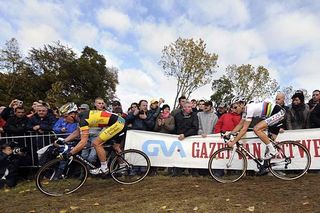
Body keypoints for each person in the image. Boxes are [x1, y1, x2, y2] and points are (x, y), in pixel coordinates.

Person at [64, 104, 126, 174]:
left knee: (96, 143)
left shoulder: (83, 119)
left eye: (65, 117)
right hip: (119, 122)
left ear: (72, 114)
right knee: (116, 147)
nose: (64, 119)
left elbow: (83, 142)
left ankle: (104, 168)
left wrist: (70, 153)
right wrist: (64, 141)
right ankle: (123, 165)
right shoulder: (81, 117)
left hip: (118, 124)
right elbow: (77, 132)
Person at [174, 100, 199, 176]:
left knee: (191, 154)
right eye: (187, 107)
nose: (189, 108)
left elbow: (195, 127)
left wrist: (185, 135)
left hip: (190, 138)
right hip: (180, 139)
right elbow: (175, 127)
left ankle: (193, 171)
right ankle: (178, 171)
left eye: (190, 107)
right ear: (183, 107)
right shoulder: (177, 115)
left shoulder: (194, 115)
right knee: (179, 154)